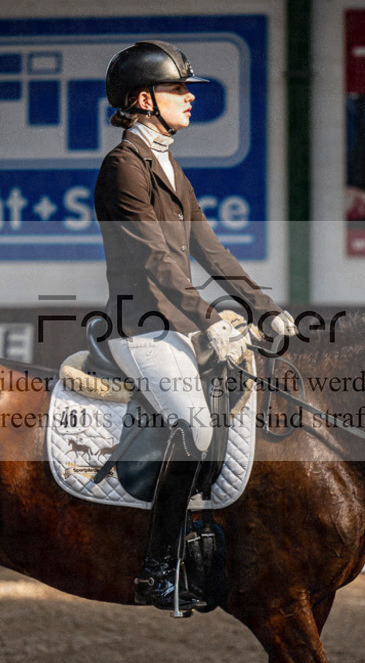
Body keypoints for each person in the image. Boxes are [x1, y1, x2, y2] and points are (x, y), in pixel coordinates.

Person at [94, 40, 297, 613]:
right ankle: (157, 569)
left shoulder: (167, 165)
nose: (189, 98)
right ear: (143, 100)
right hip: (139, 328)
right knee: (197, 427)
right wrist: (211, 322)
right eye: (177, 89)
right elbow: (157, 261)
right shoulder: (123, 168)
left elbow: (206, 247)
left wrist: (261, 306)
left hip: (175, 322)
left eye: (188, 89)